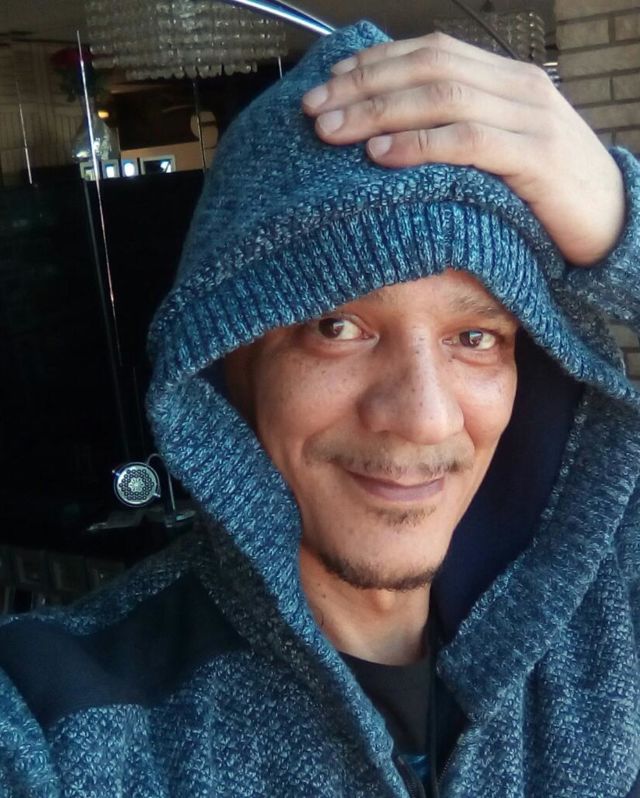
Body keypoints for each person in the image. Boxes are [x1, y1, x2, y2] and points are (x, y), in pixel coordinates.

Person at [1, 20, 639, 798]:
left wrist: (624, 222)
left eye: (474, 337)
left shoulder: (607, 622)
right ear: (229, 363)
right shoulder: (54, 719)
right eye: (336, 328)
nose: (424, 418)